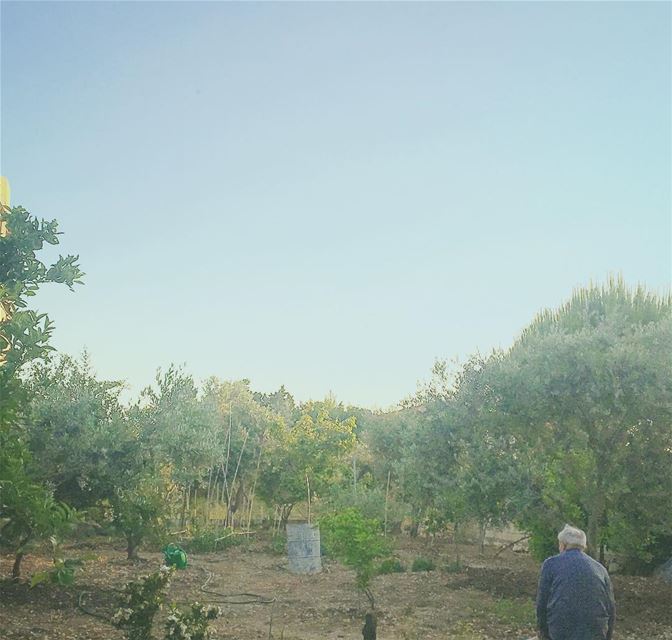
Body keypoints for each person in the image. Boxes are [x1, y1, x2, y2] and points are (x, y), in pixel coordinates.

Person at [536, 524, 615, 640]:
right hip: (595, 632)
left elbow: (541, 604)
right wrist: (608, 636)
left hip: (561, 631)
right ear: (583, 546)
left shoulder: (551, 564)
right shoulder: (600, 569)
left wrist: (543, 633)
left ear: (563, 545)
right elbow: (611, 608)